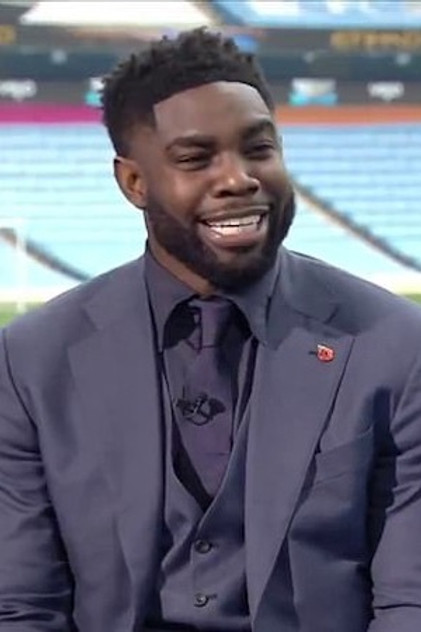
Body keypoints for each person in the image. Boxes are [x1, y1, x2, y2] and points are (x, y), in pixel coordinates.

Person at [0, 27, 421, 632]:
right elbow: (22, 606)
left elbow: (409, 602)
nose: (239, 178)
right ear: (134, 183)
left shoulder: (396, 344)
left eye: (259, 149)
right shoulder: (31, 360)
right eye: (197, 159)